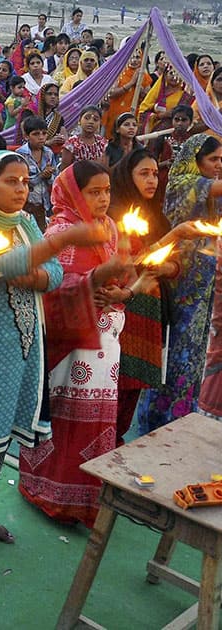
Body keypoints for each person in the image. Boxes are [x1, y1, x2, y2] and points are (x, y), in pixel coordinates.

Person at [0, 151, 103, 556]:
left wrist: (41, 273)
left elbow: (56, 273)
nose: (21, 189)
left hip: (19, 352)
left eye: (26, 181)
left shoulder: (27, 222)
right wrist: (59, 242)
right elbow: (5, 265)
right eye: (11, 181)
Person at [19, 161, 129, 528]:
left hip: (104, 343)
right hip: (70, 343)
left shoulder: (110, 228)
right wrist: (89, 287)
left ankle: (86, 498)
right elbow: (52, 287)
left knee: (95, 420)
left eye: (107, 191)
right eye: (93, 192)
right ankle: (48, 493)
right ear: (72, 193)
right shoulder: (62, 229)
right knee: (62, 417)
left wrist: (119, 290)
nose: (103, 199)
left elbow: (121, 275)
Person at [110, 149, 201, 442]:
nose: (152, 180)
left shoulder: (155, 216)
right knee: (113, 386)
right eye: (143, 174)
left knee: (133, 387)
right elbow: (130, 262)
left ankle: (116, 443)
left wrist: (167, 267)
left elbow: (175, 266)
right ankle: (101, 447)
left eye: (153, 174)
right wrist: (173, 236)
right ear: (127, 175)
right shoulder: (114, 215)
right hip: (121, 313)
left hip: (149, 313)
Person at [137, 135, 222, 433]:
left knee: (195, 352)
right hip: (177, 279)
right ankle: (156, 419)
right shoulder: (184, 183)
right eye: (213, 159)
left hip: (204, 285)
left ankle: (180, 417)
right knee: (172, 351)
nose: (218, 165)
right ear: (196, 160)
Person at [16, 115, 57, 230]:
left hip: (44, 205)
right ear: (26, 136)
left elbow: (54, 179)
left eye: (44, 133)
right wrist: (41, 176)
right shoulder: (21, 155)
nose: (41, 137)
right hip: (25, 203)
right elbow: (19, 181)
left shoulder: (49, 153)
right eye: (36, 134)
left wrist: (49, 176)